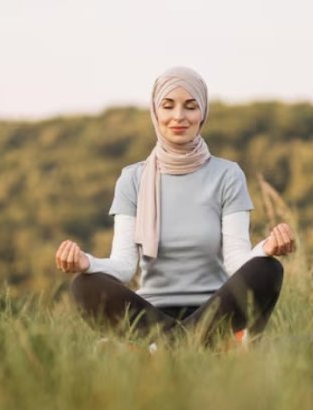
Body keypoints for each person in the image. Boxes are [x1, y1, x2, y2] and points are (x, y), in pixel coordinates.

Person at [55, 66, 295, 344]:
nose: (179, 116)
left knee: (268, 269)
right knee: (85, 285)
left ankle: (159, 349)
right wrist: (88, 263)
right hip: (149, 314)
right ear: (155, 112)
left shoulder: (227, 175)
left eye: (190, 107)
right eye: (168, 106)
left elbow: (236, 262)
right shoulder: (132, 178)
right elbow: (123, 266)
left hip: (216, 309)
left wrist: (265, 249)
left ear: (203, 113)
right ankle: (206, 345)